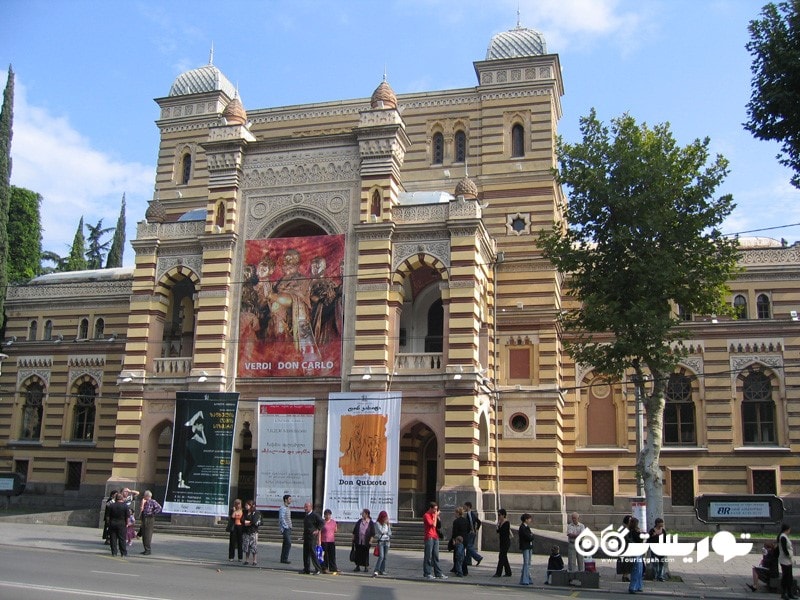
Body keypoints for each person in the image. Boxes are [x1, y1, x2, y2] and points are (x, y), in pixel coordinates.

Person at [177, 411, 206, 489]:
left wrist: (202, 431)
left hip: (182, 446)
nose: (202, 427)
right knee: (187, 461)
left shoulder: (195, 435)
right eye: (201, 426)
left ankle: (182, 480)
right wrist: (201, 416)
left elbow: (204, 442)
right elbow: (198, 413)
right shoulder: (190, 423)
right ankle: (181, 478)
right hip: (178, 445)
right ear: (197, 424)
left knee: (191, 462)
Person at [423, 501, 447, 580]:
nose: (435, 511)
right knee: (428, 556)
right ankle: (427, 573)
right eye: (434, 509)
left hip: (435, 536)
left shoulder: (434, 515)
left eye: (436, 509)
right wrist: (436, 516)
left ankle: (438, 573)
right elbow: (433, 524)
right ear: (430, 508)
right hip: (429, 536)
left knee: (436, 556)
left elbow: (438, 526)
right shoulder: (426, 515)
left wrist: (437, 518)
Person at [301, 502, 324, 574]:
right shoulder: (306, 515)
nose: (305, 508)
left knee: (313, 553)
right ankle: (306, 569)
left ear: (310, 507)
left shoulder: (315, 515)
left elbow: (322, 522)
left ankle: (318, 569)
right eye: (304, 507)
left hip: (312, 537)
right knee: (305, 553)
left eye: (306, 507)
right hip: (306, 536)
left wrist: (318, 530)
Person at [106, 492, 130, 557]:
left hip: (112, 523)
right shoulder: (125, 506)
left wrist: (108, 523)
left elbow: (108, 516)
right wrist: (127, 524)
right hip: (122, 523)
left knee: (113, 539)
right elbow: (127, 516)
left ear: (116, 498)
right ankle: (123, 553)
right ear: (122, 498)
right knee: (122, 539)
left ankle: (114, 552)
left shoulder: (111, 505)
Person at [351, 508, 375, 572]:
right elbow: (355, 530)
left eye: (363, 513)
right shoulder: (359, 521)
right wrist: (353, 538)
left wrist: (370, 541)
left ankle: (366, 567)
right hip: (358, 540)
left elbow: (372, 533)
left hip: (366, 541)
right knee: (358, 553)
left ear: (367, 514)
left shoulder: (370, 522)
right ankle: (357, 566)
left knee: (365, 554)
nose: (362, 514)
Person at [139, 490, 161, 556]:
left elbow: (159, 508)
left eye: (144, 495)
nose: (143, 497)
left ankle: (148, 550)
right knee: (144, 534)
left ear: (147, 496)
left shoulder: (152, 501)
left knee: (147, 535)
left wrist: (152, 513)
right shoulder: (144, 502)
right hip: (144, 518)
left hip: (149, 518)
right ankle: (145, 549)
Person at [450, 506, 472, 576]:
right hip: (465, 540)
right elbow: (469, 529)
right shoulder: (466, 520)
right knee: (463, 555)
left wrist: (453, 540)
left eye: (455, 513)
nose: (454, 514)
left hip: (458, 540)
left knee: (458, 556)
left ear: (458, 513)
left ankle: (459, 571)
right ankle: (464, 570)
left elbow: (454, 532)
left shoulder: (456, 521)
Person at [778, 523, 797, 600]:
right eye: (789, 529)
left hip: (788, 560)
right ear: (787, 529)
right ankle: (784, 593)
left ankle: (790, 593)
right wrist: (789, 555)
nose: (790, 531)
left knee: (789, 577)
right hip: (785, 559)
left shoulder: (784, 536)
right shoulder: (782, 537)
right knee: (785, 577)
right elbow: (784, 548)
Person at [626, 517, 644, 594]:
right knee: (637, 570)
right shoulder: (634, 532)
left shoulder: (628, 531)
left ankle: (639, 586)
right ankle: (633, 587)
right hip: (636, 551)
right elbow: (640, 540)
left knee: (639, 569)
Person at [241, 499, 261, 566]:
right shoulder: (245, 512)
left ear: (251, 505)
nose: (246, 506)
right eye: (246, 505)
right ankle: (247, 560)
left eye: (247, 505)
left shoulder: (256, 512)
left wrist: (248, 522)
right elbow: (242, 520)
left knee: (253, 546)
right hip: (246, 531)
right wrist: (247, 522)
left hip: (253, 531)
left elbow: (254, 521)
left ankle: (254, 560)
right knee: (246, 546)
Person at [493, 508, 512, 577]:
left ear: (503, 515)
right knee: (504, 557)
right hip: (502, 542)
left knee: (501, 557)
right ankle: (508, 572)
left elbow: (503, 532)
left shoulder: (506, 522)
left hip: (506, 542)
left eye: (499, 515)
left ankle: (498, 573)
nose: (499, 516)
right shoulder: (500, 523)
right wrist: (498, 525)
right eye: (498, 515)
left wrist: (499, 526)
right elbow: (498, 531)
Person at [463, 501, 483, 567]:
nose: (464, 507)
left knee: (468, 547)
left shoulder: (470, 514)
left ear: (468, 506)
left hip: (471, 533)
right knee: (469, 546)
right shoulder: (471, 514)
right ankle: (468, 561)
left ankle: (478, 557)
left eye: (465, 506)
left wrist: (474, 530)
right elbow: (479, 522)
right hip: (472, 532)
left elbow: (476, 522)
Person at [373, 510, 391, 576]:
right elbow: (381, 531)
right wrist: (384, 524)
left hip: (387, 541)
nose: (385, 519)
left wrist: (388, 525)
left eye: (386, 517)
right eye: (384, 517)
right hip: (381, 541)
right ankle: (376, 569)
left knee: (385, 557)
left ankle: (382, 570)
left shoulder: (387, 524)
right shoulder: (378, 523)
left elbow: (389, 533)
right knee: (381, 556)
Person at [321, 508, 339, 574]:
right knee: (325, 555)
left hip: (331, 541)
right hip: (324, 541)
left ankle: (333, 567)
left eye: (329, 515)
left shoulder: (333, 522)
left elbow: (335, 530)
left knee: (332, 555)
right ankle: (325, 568)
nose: (328, 516)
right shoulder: (322, 522)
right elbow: (320, 531)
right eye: (326, 515)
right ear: (324, 515)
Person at [518, 513, 534, 585]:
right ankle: (525, 579)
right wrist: (531, 536)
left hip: (529, 546)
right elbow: (528, 537)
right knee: (526, 563)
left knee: (528, 563)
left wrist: (531, 536)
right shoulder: (522, 527)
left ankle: (527, 578)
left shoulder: (527, 527)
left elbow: (531, 535)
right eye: (529, 519)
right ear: (526, 520)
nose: (530, 520)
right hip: (525, 546)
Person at [279, 494, 293, 564]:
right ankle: (285, 558)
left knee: (285, 543)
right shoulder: (283, 508)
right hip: (286, 528)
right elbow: (282, 518)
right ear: (285, 500)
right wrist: (286, 526)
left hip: (289, 528)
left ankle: (283, 558)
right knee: (288, 543)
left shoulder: (288, 508)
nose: (291, 500)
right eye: (289, 499)